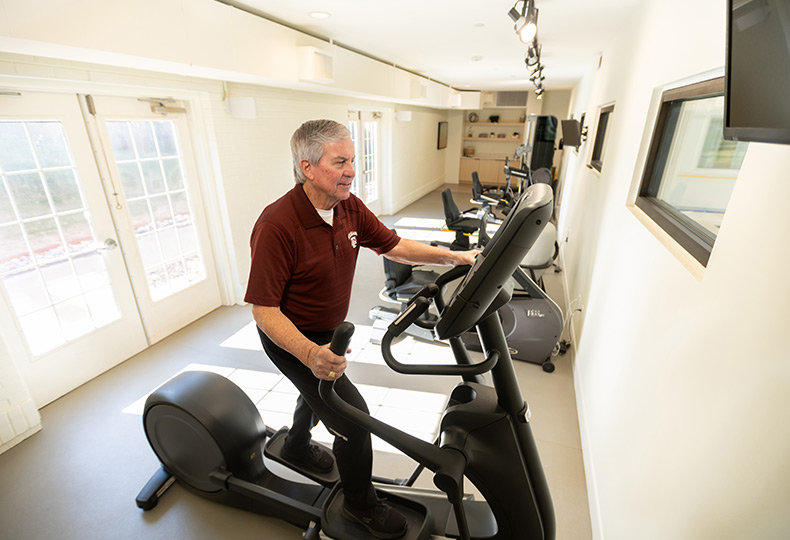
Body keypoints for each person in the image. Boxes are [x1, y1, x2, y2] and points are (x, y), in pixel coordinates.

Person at [245, 119, 477, 539]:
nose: (352, 170)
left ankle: (296, 444)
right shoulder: (277, 225)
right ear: (308, 167)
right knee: (353, 420)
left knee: (317, 395)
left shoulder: (348, 205)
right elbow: (265, 310)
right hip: (291, 340)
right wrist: (310, 353)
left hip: (327, 333)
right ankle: (359, 505)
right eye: (340, 162)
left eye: (352, 159)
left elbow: (394, 245)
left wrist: (454, 258)